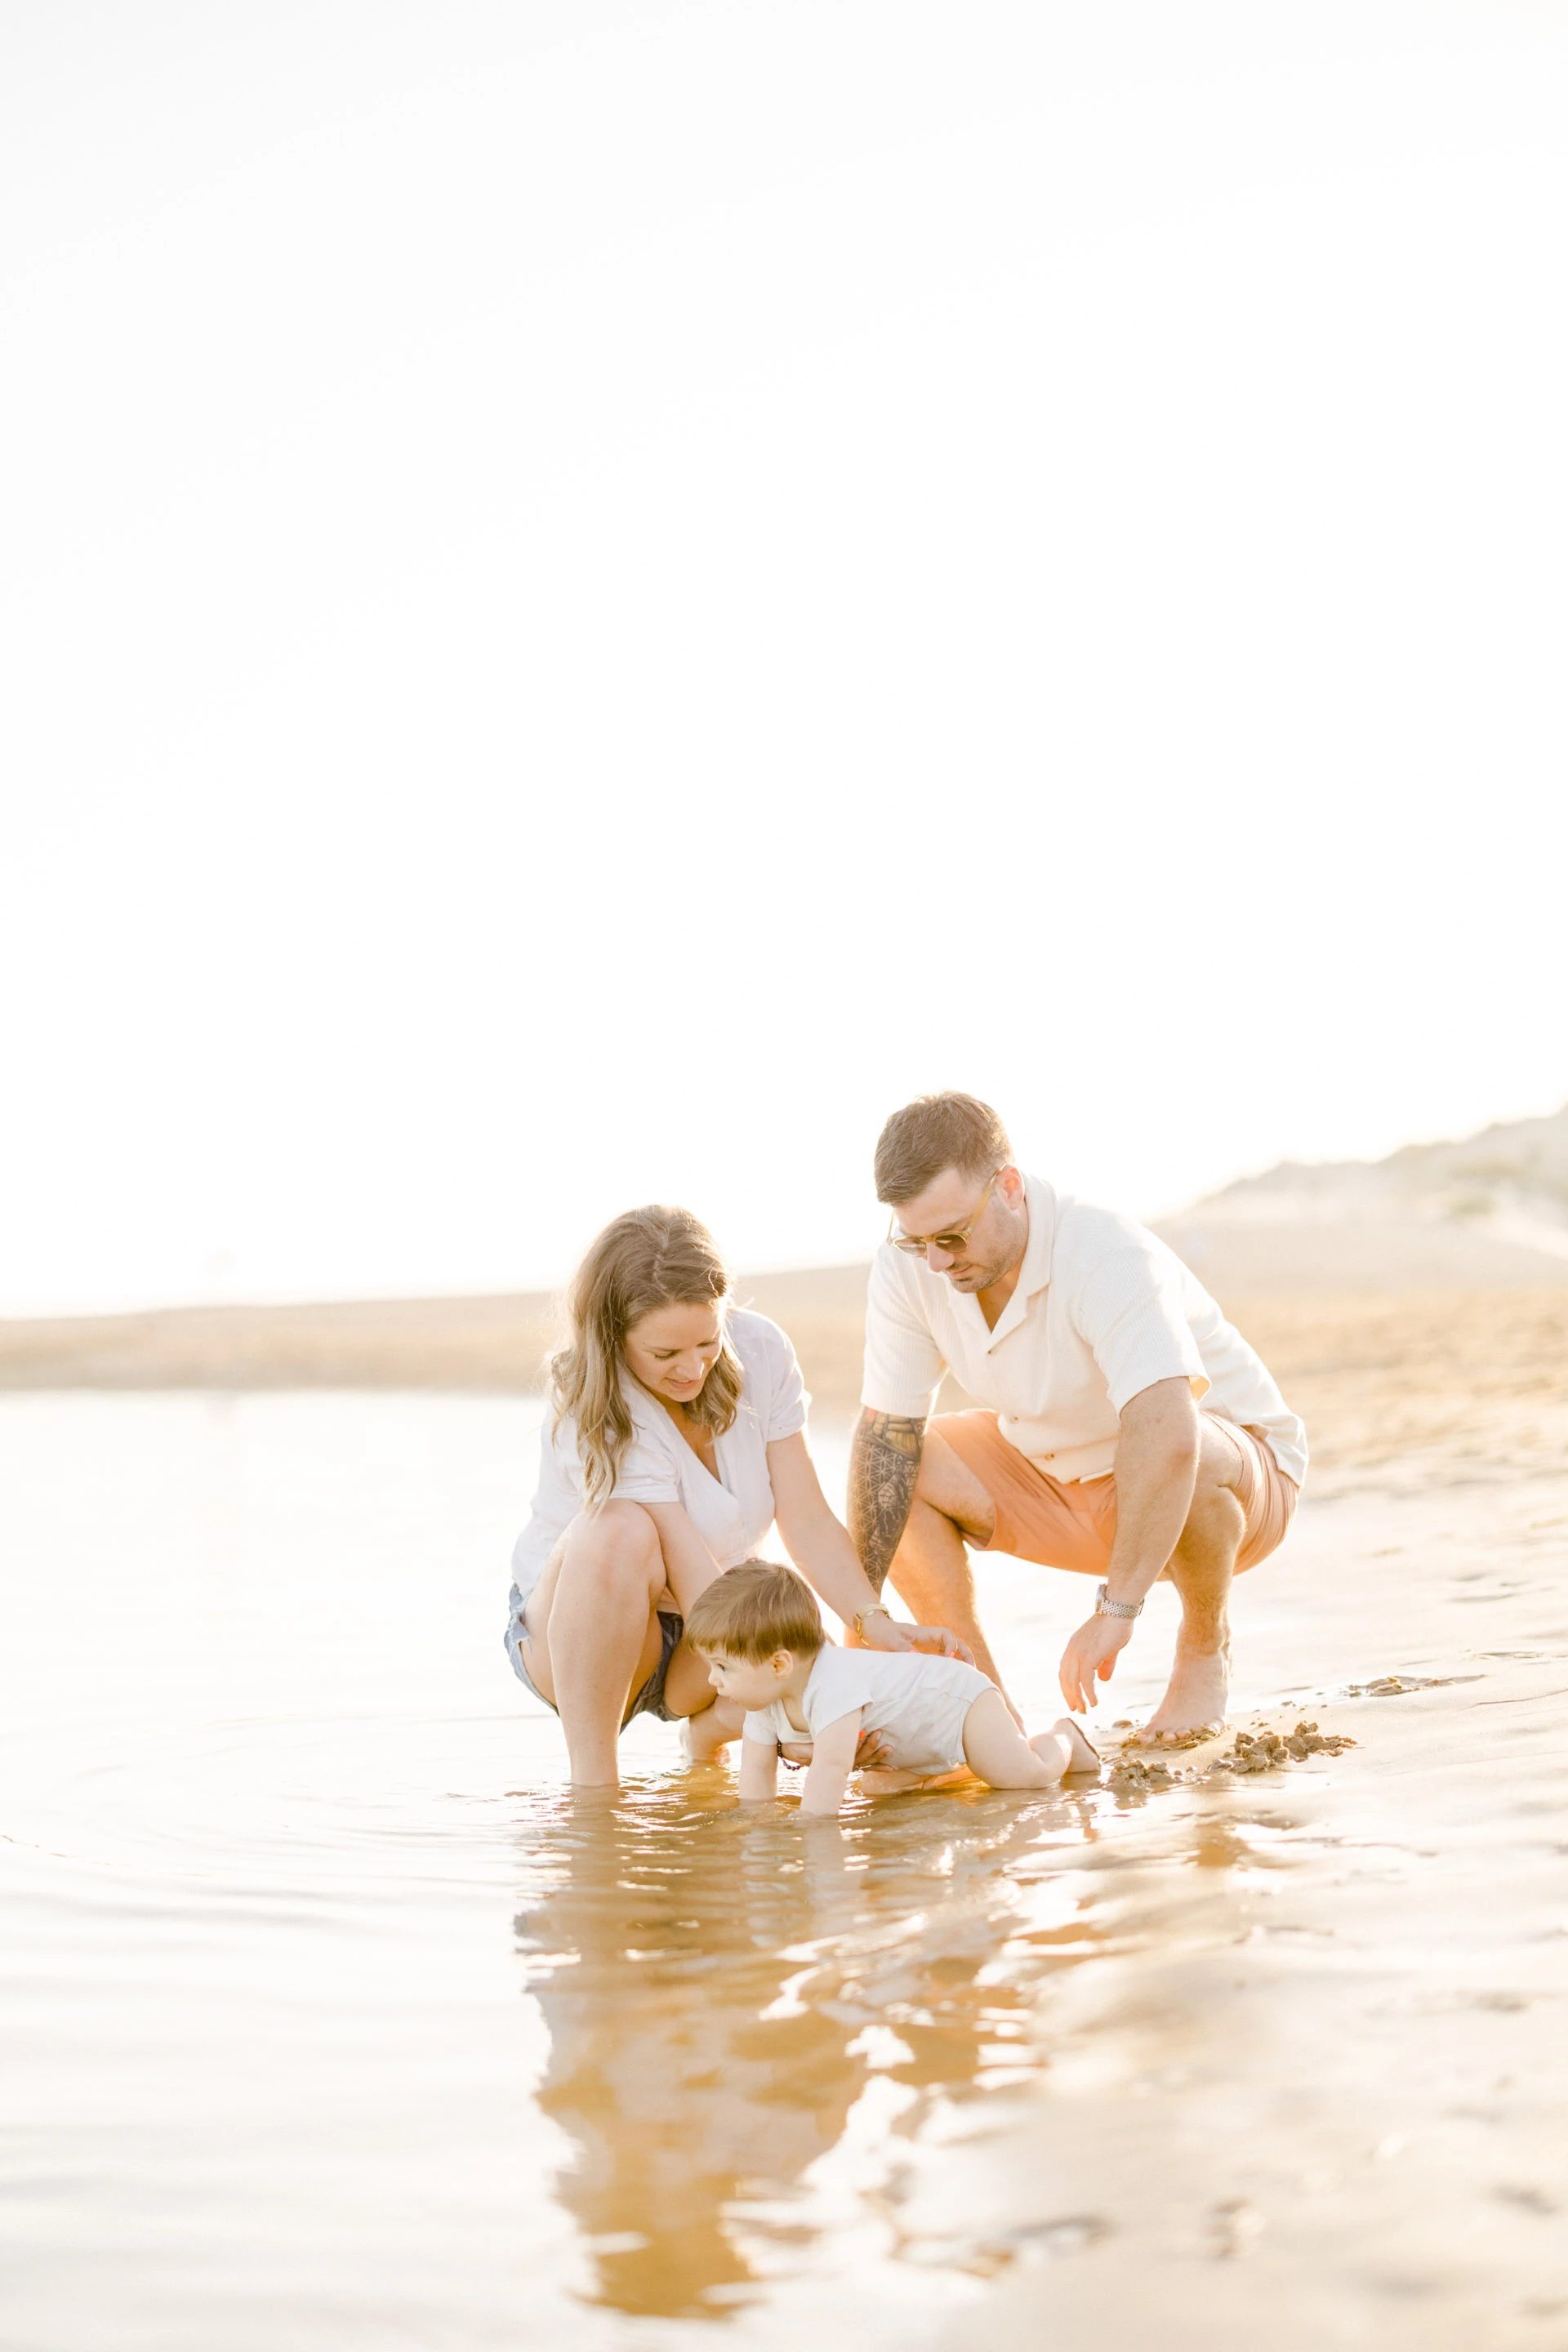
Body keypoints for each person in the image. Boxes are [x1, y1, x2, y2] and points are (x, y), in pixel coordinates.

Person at [847, 1094, 1308, 1745]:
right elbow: (884, 1440)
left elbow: (1169, 1434)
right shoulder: (915, 1262)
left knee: (1191, 1442)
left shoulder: (1103, 1249)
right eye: (916, 1240)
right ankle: (977, 1705)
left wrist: (1115, 1612)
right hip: (1064, 1485)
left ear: (1009, 1187)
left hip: (1224, 1492)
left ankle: (1206, 1649)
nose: (936, 1262)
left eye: (951, 1236)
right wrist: (860, 1617)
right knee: (896, 1464)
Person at [506, 1204, 965, 1786]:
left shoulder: (762, 1349)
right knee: (618, 1528)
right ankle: (593, 1793)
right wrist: (813, 1683)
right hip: (580, 1635)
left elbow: (806, 1517)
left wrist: (872, 1625)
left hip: (704, 1637)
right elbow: (689, 1569)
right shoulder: (594, 1394)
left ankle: (707, 1731)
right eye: (665, 1354)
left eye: (707, 1341)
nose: (693, 1369)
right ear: (615, 1338)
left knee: (783, 1620)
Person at [688, 1561, 1100, 1815]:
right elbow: (756, 1779)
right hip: (916, 1739)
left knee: (1023, 1776)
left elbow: (830, 1772)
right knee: (878, 1790)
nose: (713, 1679)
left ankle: (1062, 1738)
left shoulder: (833, 1684)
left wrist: (812, 1833)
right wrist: (755, 1832)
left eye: (723, 1666)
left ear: (779, 1663)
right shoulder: (763, 1700)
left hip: (960, 1704)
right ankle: (944, 1774)